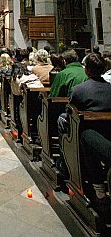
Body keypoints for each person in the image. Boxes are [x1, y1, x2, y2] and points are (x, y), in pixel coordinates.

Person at [57, 53, 111, 217]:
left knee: (81, 137)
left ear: (87, 70)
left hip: (90, 135)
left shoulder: (79, 90)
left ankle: (68, 167)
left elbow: (70, 111)